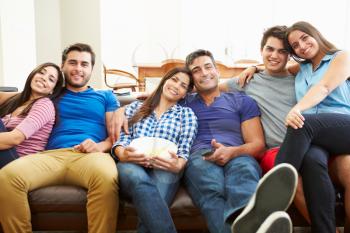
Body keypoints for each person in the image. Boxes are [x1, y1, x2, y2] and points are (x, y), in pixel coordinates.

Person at [0, 43, 119, 233]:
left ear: (91, 69)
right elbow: (18, 95)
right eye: (72, 62)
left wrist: (100, 146)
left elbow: (116, 136)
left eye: (84, 64)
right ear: (63, 66)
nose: (78, 69)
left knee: (107, 177)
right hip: (50, 156)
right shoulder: (50, 93)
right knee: (7, 177)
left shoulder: (105, 96)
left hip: (90, 156)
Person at [182, 49, 297, 233]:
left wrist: (232, 152)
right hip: (200, 155)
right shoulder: (183, 102)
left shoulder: (242, 100)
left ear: (217, 71)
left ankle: (249, 223)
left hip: (238, 153)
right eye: (196, 70)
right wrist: (122, 110)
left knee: (244, 178)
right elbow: (155, 101)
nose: (204, 73)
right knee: (211, 187)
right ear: (191, 78)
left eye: (208, 67)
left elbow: (258, 146)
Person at [273, 21, 350, 233]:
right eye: (296, 46)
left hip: (343, 126)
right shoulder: (302, 68)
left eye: (305, 38)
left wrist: (296, 109)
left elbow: (324, 87)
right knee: (311, 161)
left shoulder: (341, 57)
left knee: (301, 123)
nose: (302, 46)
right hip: (316, 136)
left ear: (315, 34)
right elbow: (275, 67)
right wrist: (253, 68)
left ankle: (274, 191)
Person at [112, 67, 198, 233]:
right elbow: (122, 140)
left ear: (184, 94)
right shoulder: (134, 108)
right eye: (174, 79)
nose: (176, 86)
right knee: (140, 180)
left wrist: (178, 165)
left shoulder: (186, 115)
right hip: (132, 164)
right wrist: (123, 154)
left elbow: (184, 150)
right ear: (165, 81)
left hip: (166, 166)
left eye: (182, 85)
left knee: (153, 202)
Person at [0, 62, 64, 168]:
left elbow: (15, 138)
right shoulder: (19, 100)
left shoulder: (44, 105)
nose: (44, 78)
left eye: (51, 79)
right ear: (33, 74)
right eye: (41, 73)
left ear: (53, 90)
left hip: (20, 162)